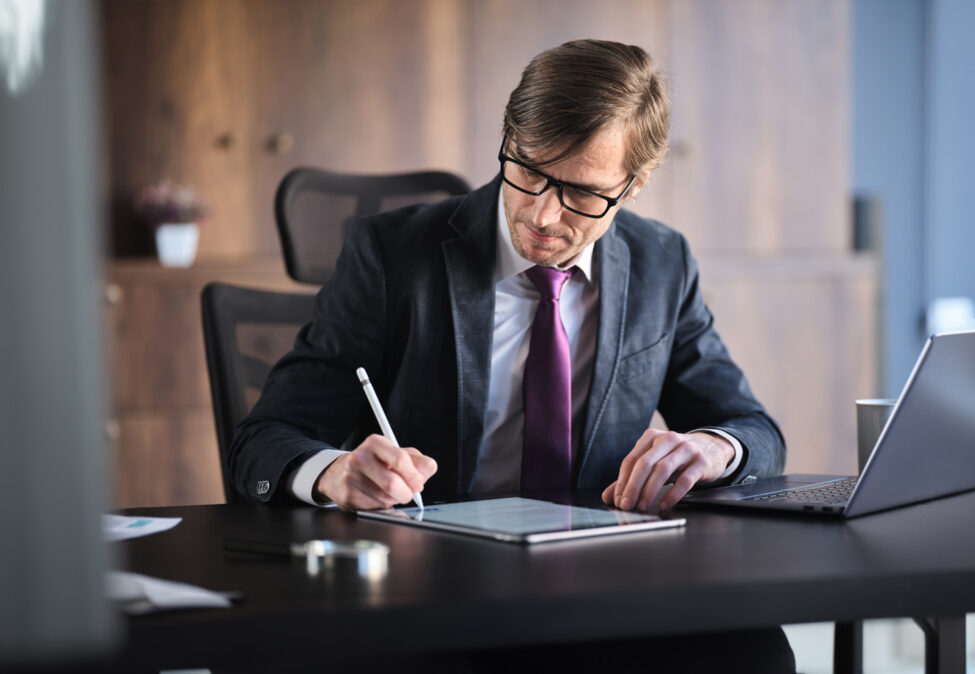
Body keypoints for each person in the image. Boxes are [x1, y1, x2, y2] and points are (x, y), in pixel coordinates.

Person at [231, 39, 793, 671]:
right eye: (527, 170)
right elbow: (264, 438)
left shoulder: (663, 263)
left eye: (582, 193)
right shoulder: (391, 255)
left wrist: (715, 446)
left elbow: (755, 430)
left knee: (755, 653)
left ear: (634, 185)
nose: (543, 214)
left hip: (605, 583)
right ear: (509, 136)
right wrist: (332, 471)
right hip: (434, 587)